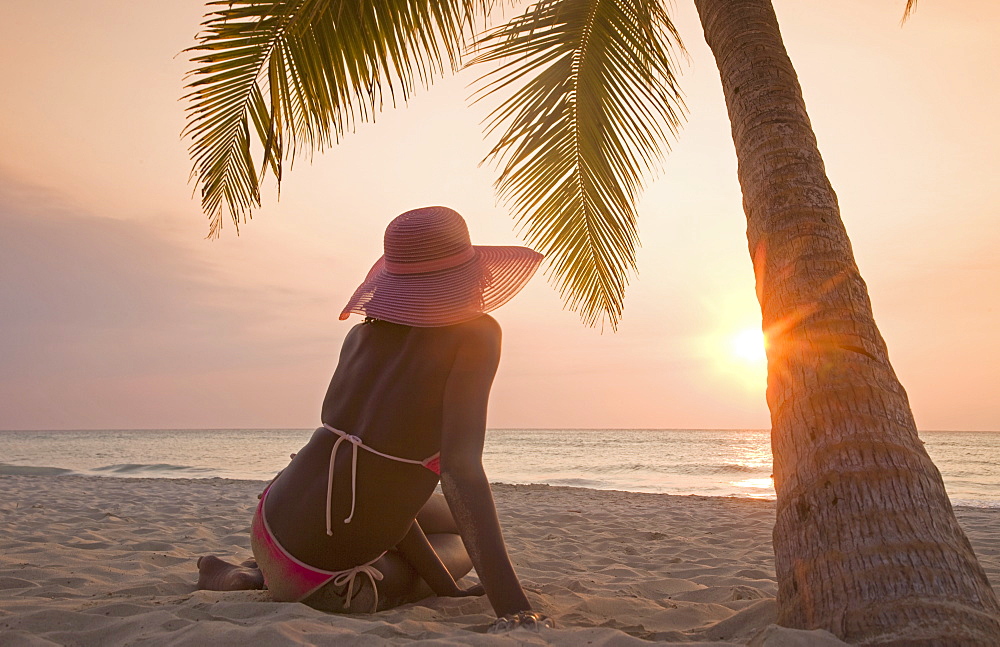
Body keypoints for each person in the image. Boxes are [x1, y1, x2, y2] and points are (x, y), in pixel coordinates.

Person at [197, 206, 552, 632]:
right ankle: (271, 579)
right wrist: (512, 608)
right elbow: (461, 470)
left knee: (443, 517)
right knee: (459, 539)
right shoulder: (476, 334)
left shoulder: (361, 337)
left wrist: (447, 590)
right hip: (321, 582)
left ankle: (256, 572)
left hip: (271, 524)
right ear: (472, 275)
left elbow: (381, 486)